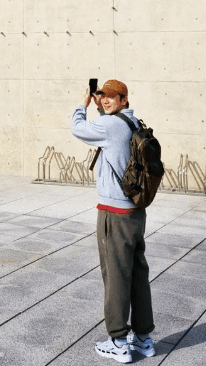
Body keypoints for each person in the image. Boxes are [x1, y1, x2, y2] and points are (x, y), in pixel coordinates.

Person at [71, 79, 155, 363]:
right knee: (138, 274)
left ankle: (118, 341)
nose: (104, 101)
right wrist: (101, 111)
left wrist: (82, 106)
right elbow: (108, 133)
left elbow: (78, 129)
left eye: (111, 97)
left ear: (124, 98)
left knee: (117, 276)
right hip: (135, 210)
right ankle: (143, 338)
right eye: (100, 96)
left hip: (114, 213)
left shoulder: (110, 126)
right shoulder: (132, 123)